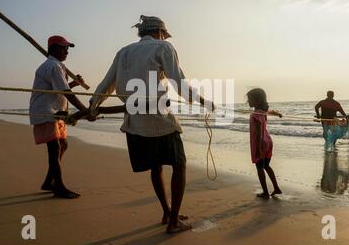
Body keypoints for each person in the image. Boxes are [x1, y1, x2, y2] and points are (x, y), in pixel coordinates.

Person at [89, 15, 214, 233]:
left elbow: (107, 83)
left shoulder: (124, 51)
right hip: (159, 118)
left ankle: (167, 211)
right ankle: (174, 221)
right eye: (164, 34)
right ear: (160, 33)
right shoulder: (164, 47)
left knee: (156, 167)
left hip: (135, 122)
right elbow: (180, 84)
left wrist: (93, 105)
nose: (164, 37)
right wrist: (204, 102)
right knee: (179, 164)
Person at [29, 35, 89, 199]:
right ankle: (59, 187)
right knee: (54, 148)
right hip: (45, 111)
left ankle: (49, 181)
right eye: (63, 48)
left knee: (63, 144)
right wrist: (85, 110)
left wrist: (74, 84)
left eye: (67, 48)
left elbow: (58, 88)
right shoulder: (53, 66)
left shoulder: (56, 66)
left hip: (56, 112)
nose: (67, 51)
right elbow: (64, 92)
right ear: (54, 49)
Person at [247, 88, 282, 199]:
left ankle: (265, 192)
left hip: (261, 142)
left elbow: (258, 133)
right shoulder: (261, 112)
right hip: (268, 141)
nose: (248, 101)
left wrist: (258, 149)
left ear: (257, 101)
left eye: (250, 99)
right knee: (266, 165)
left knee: (259, 167)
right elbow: (270, 112)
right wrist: (277, 113)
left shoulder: (254, 115)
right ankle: (276, 188)